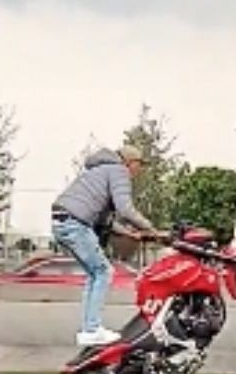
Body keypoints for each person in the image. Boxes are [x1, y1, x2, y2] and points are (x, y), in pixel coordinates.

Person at [51, 144, 162, 347]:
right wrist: (151, 228)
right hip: (75, 223)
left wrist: (130, 233)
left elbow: (105, 221)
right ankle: (91, 329)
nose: (140, 170)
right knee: (103, 272)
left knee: (96, 274)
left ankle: (89, 329)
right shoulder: (118, 170)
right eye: (139, 165)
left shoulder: (99, 172)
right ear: (129, 162)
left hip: (63, 220)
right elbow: (125, 208)